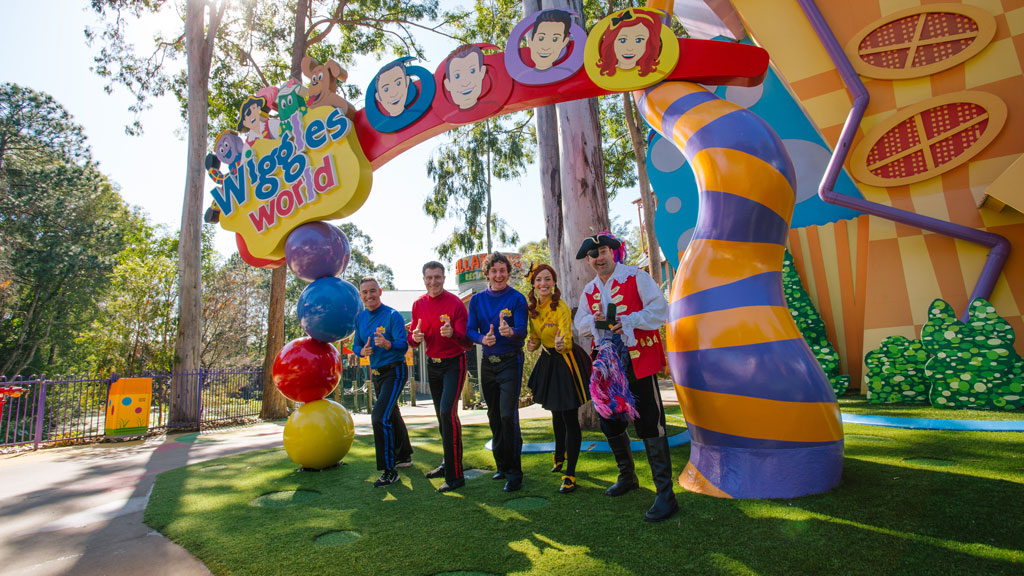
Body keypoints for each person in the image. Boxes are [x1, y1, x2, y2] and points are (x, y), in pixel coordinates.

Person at [573, 231, 679, 522]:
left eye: (603, 251)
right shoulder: (590, 290)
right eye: (593, 255)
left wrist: (630, 320)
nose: (598, 258)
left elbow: (660, 309)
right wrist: (594, 321)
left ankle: (665, 494)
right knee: (610, 420)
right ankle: (627, 476)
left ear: (613, 252)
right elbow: (579, 322)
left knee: (649, 422)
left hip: (637, 361)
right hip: (607, 366)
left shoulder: (635, 277)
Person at [525, 264, 591, 494]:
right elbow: (533, 338)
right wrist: (531, 344)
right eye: (539, 280)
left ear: (554, 282)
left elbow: (566, 337)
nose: (543, 284)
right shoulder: (532, 308)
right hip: (548, 360)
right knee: (555, 411)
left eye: (548, 279)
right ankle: (560, 453)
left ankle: (570, 473)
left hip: (567, 361)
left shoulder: (560, 306)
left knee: (569, 416)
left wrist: (564, 343)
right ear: (533, 284)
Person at [408, 261, 473, 493]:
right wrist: (414, 338)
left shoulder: (455, 303)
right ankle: (448, 463)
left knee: (448, 413)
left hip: (454, 363)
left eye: (437, 277)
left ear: (444, 278)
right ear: (424, 279)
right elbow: (412, 339)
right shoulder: (418, 305)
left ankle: (456, 476)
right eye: (429, 278)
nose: (433, 281)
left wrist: (452, 333)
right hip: (432, 365)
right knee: (441, 416)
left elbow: (467, 341)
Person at [467, 252, 528, 492]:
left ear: (508, 273)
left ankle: (515, 472)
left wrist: (511, 332)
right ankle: (501, 465)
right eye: (494, 271)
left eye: (503, 270)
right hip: (488, 363)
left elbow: (522, 329)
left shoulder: (517, 299)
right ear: (487, 274)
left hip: (511, 361)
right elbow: (470, 330)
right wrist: (483, 338)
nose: (499, 275)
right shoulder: (477, 300)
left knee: (507, 415)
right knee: (493, 415)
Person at [352, 277, 414, 488]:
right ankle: (404, 455)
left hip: (395, 372)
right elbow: (355, 345)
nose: (369, 295)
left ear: (380, 291)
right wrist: (362, 351)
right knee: (391, 413)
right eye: (365, 293)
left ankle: (390, 470)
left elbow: (403, 346)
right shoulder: (359, 319)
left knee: (379, 417)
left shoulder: (392, 315)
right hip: (376, 374)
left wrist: (388, 344)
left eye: (372, 291)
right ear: (361, 296)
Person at [596, 9, 663, 77]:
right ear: (612, 43)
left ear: (649, 43)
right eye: (622, 40)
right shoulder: (601, 76)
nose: (629, 48)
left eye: (638, 40)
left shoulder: (658, 74)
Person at [443, 45, 487, 110]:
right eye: (457, 76)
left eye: (472, 71)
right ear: (448, 84)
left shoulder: (493, 105)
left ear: (482, 72)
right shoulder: (448, 116)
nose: (465, 83)